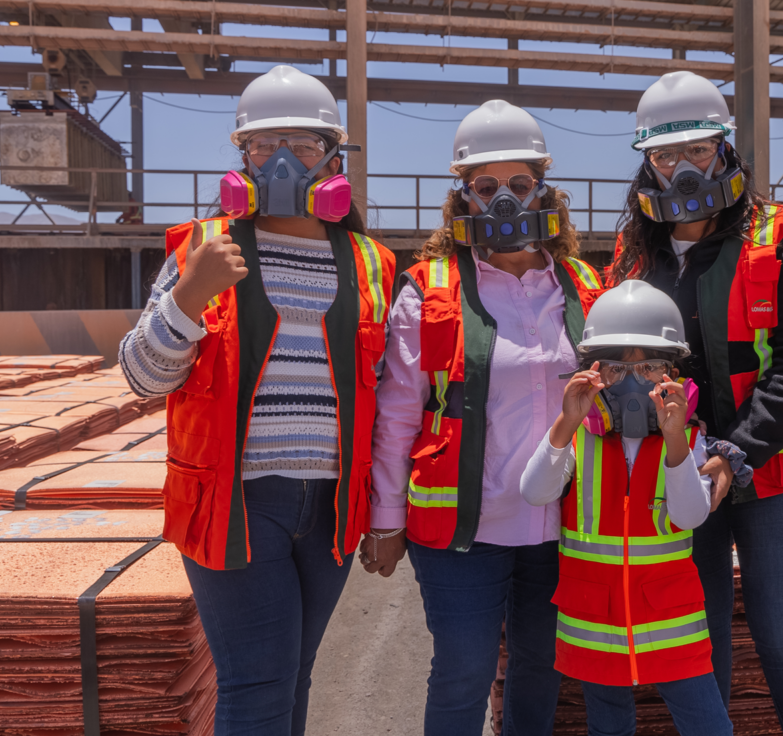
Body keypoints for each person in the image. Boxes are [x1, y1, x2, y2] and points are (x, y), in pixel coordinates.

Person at [119, 64, 395, 736]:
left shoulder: (370, 261)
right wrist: (187, 295)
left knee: (293, 676)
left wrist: (386, 512)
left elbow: (389, 396)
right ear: (241, 154)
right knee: (258, 684)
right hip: (234, 502)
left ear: (333, 156)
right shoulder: (203, 248)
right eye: (262, 144)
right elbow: (139, 375)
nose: (280, 160)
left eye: (301, 145)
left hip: (330, 506)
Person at [606, 70, 783, 735]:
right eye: (664, 156)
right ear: (646, 162)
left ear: (725, 148)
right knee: (698, 633)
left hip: (776, 469)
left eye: (696, 151)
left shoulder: (781, 233)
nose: (681, 169)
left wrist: (738, 452)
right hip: (680, 467)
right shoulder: (633, 251)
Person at [364, 99, 603, 736]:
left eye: (520, 185)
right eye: (486, 185)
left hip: (563, 525)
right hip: (463, 531)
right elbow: (396, 417)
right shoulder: (428, 289)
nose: (505, 200)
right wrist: (386, 520)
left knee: (541, 666)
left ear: (545, 192)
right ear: (463, 197)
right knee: (464, 670)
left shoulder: (584, 285)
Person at [521, 280, 733, 736]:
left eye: (653, 366)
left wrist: (675, 437)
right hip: (595, 622)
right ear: (593, 373)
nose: (635, 380)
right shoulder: (578, 439)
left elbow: (691, 516)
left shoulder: (689, 442)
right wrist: (566, 421)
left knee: (707, 724)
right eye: (617, 369)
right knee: (608, 724)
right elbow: (535, 490)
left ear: (673, 374)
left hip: (672, 624)